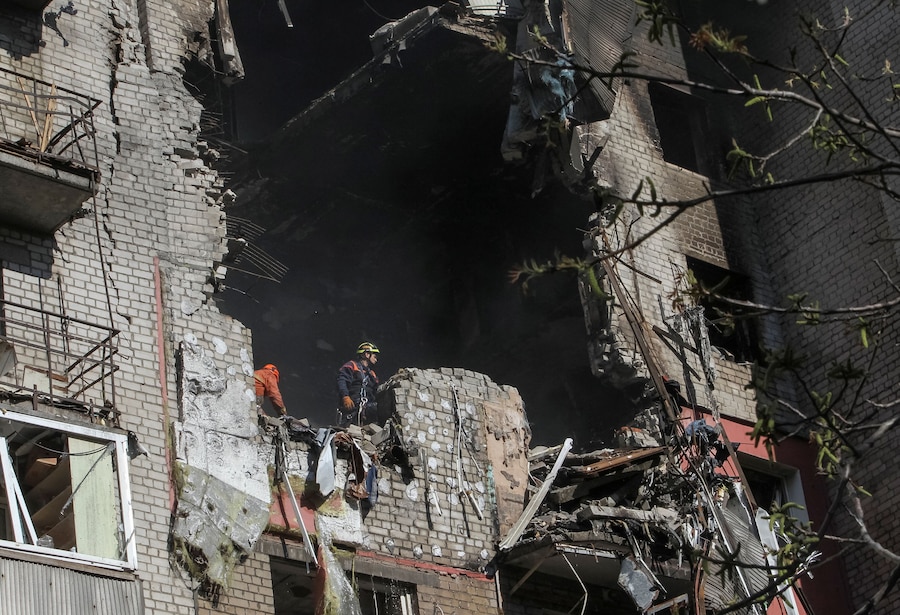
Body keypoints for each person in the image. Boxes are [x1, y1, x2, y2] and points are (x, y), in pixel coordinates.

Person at [336, 342, 380, 426]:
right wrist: (345, 396)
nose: (376, 359)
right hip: (352, 407)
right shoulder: (352, 365)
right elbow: (342, 381)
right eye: (375, 356)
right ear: (367, 354)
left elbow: (377, 391)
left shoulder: (372, 374)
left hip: (367, 408)